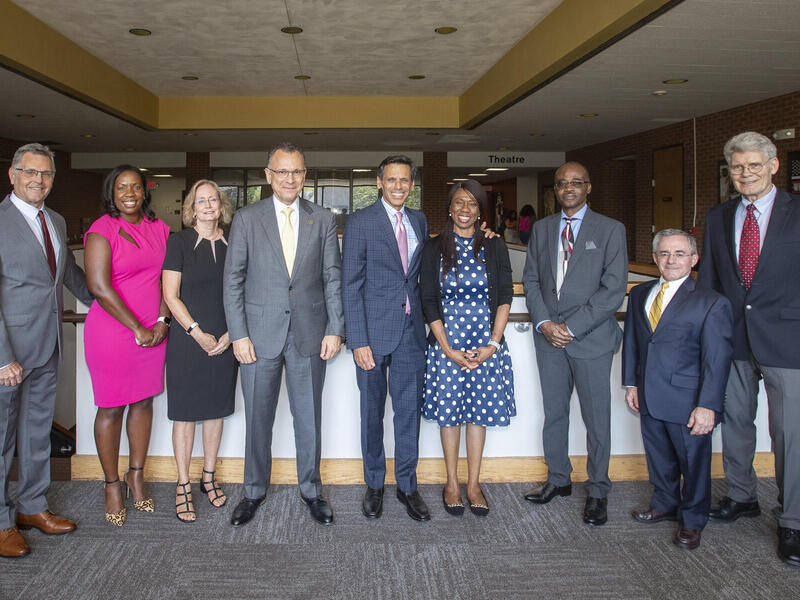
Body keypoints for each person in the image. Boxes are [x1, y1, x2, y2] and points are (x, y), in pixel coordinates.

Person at [223, 142, 343, 527]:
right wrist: (239, 335)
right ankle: (253, 491)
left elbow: (332, 278)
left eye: (297, 171)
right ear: (268, 175)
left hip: (310, 334)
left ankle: (312, 490)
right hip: (258, 338)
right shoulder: (246, 218)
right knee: (258, 420)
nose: (290, 179)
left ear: (304, 175)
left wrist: (335, 328)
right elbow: (233, 281)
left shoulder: (322, 219)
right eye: (282, 171)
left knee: (308, 419)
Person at [698, 131, 800, 565]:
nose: (745, 173)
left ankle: (793, 518)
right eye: (737, 167)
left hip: (788, 340)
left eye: (754, 165)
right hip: (733, 338)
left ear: (773, 166)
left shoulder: (797, 211)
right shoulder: (718, 217)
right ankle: (742, 496)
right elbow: (709, 282)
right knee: (736, 421)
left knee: (790, 432)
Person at [522, 161, 627, 526]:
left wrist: (572, 327)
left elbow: (613, 289)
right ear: (555, 189)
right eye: (562, 183)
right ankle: (558, 479)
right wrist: (545, 323)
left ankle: (597, 490)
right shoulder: (542, 229)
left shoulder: (610, 230)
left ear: (588, 187)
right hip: (549, 339)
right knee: (554, 413)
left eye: (576, 182)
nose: (568, 188)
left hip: (590, 339)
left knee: (597, 419)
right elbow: (531, 281)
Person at [0, 143, 92, 558]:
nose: (38, 180)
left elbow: (71, 275)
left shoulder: (54, 220)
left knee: (36, 434)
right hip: (9, 356)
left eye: (46, 173)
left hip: (48, 346)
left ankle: (32, 506)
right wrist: (2, 357)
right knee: (2, 441)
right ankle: (1, 522)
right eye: (30, 172)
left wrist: (116, 308)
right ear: (13, 175)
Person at [623, 229, 733, 550]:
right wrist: (631, 383)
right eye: (665, 253)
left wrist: (708, 405)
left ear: (694, 259)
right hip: (648, 394)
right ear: (655, 258)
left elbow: (716, 360)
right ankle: (664, 503)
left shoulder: (712, 302)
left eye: (680, 254)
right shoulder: (640, 294)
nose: (671, 260)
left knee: (693, 464)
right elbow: (633, 342)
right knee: (659, 457)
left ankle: (693, 520)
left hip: (689, 400)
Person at [341, 155, 432, 521]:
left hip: (411, 333)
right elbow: (350, 285)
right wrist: (357, 340)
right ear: (379, 182)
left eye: (404, 180)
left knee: (409, 413)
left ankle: (408, 486)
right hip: (372, 336)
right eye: (391, 179)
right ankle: (375, 484)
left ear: (412, 184)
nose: (398, 186)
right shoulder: (360, 222)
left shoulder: (419, 221)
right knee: (372, 413)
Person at [420, 180, 515, 517]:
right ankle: (451, 482)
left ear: (480, 211)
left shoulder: (495, 246)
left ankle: (473, 484)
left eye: (472, 203)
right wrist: (446, 349)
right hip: (447, 345)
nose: (465, 209)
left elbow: (505, 295)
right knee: (450, 416)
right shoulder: (433, 248)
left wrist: (493, 344)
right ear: (449, 208)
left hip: (485, 344)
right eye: (459, 202)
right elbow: (428, 300)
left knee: (479, 415)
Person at [84, 165, 171, 527]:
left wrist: (162, 321)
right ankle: (111, 484)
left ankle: (136, 475)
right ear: (112, 192)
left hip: (155, 332)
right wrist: (137, 328)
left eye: (135, 187)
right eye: (122, 188)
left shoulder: (160, 228)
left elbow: (169, 280)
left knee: (143, 402)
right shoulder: (101, 230)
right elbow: (98, 286)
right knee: (111, 408)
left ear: (144, 192)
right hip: (113, 333)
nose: (130, 194)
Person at [162, 180, 237, 523]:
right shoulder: (178, 242)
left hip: (225, 339)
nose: (207, 205)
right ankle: (183, 484)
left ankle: (208, 476)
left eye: (213, 200)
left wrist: (231, 334)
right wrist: (197, 333)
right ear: (191, 208)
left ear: (222, 205)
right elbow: (170, 295)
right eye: (200, 200)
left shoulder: (234, 242)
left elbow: (244, 291)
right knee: (185, 414)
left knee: (215, 411)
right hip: (187, 340)